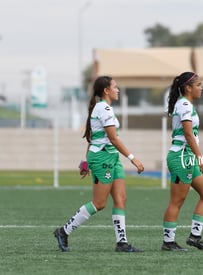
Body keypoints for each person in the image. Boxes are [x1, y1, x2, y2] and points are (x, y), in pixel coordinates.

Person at [53, 76, 145, 252]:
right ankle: (63, 231)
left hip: (111, 158)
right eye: (115, 87)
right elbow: (113, 138)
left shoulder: (104, 108)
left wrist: (86, 162)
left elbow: (93, 137)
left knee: (121, 199)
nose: (118, 90)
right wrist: (133, 158)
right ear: (106, 90)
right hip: (103, 158)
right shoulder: (104, 109)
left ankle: (122, 243)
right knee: (99, 203)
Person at [162, 72, 203, 252]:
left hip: (188, 157)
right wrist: (201, 157)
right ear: (188, 88)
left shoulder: (187, 105)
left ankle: (195, 236)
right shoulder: (184, 105)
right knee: (177, 201)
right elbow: (188, 134)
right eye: (198, 84)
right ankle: (168, 242)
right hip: (182, 157)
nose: (201, 87)